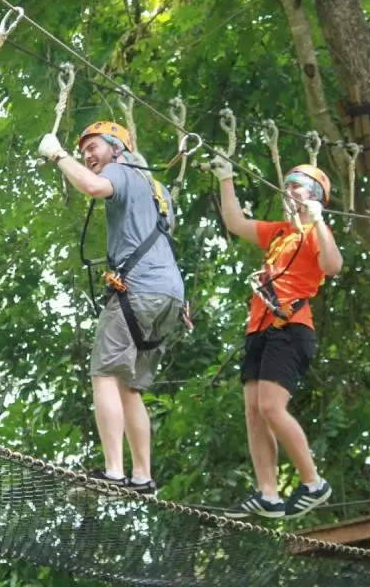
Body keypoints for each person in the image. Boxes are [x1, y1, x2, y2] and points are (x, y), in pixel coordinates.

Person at [38, 122, 185, 494]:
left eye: (94, 147)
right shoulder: (157, 188)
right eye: (83, 149)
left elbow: (92, 187)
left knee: (104, 373)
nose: (88, 155)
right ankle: (142, 476)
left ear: (117, 147)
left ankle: (114, 472)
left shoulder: (120, 170)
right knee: (129, 387)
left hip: (137, 292)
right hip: (168, 297)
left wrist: (59, 155)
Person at [210, 154, 342, 519]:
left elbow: (332, 266)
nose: (288, 190)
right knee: (254, 412)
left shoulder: (313, 231)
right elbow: (235, 222)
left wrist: (318, 220)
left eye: (296, 185)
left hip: (291, 326)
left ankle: (313, 482)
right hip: (260, 327)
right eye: (287, 185)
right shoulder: (279, 232)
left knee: (270, 406)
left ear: (314, 194)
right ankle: (268, 493)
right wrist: (226, 179)